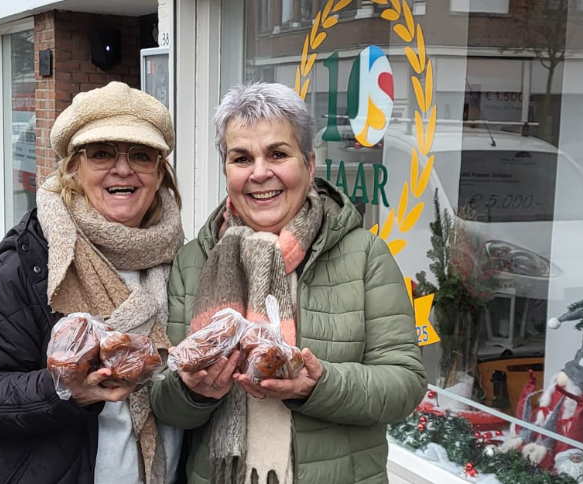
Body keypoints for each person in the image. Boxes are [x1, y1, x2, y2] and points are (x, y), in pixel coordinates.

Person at [150, 82, 427, 484]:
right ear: (226, 169)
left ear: (310, 164)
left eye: (278, 154)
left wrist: (317, 385)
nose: (260, 173)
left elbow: (405, 382)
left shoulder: (365, 255)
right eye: (242, 158)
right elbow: (165, 402)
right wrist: (192, 390)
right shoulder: (195, 260)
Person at [0, 82, 185, 484]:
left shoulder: (184, 261)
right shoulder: (31, 264)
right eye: (101, 153)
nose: (122, 169)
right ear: (73, 168)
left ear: (159, 173)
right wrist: (65, 390)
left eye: (141, 155)